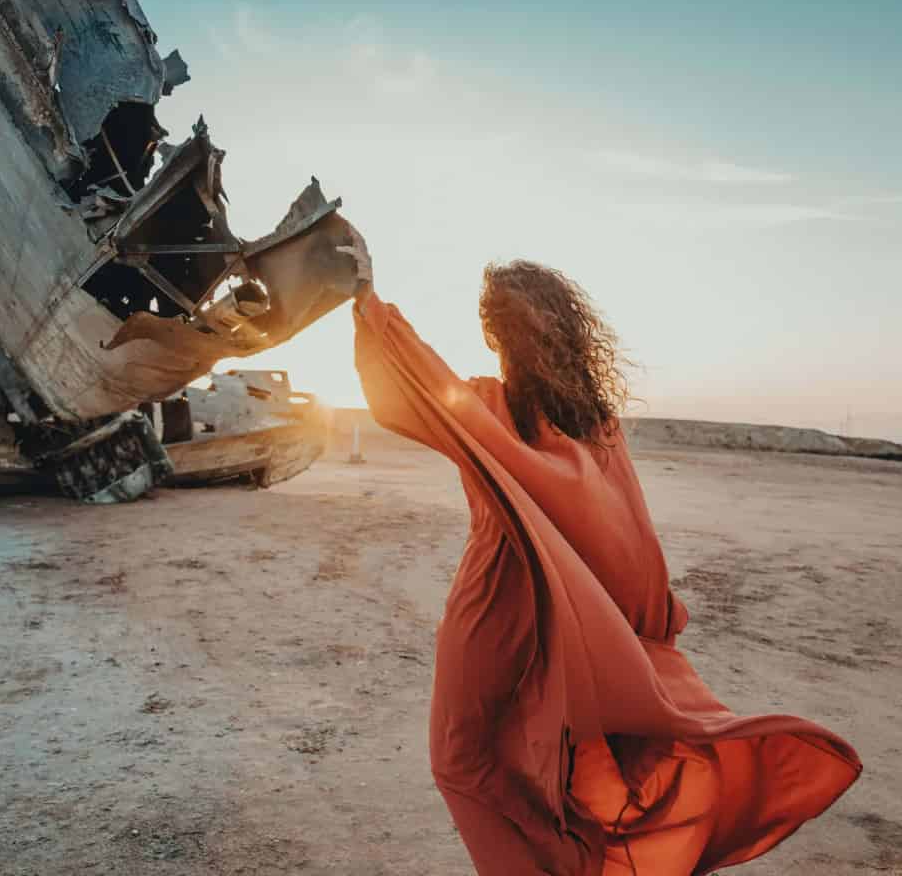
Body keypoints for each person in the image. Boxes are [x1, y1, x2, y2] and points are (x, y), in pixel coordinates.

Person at [338, 235, 861, 876]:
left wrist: (366, 300)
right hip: (579, 621)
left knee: (465, 762)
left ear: (498, 335)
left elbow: (408, 383)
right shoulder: (598, 424)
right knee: (553, 773)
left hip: (496, 611)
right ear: (569, 331)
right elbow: (629, 532)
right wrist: (650, 626)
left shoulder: (490, 406)